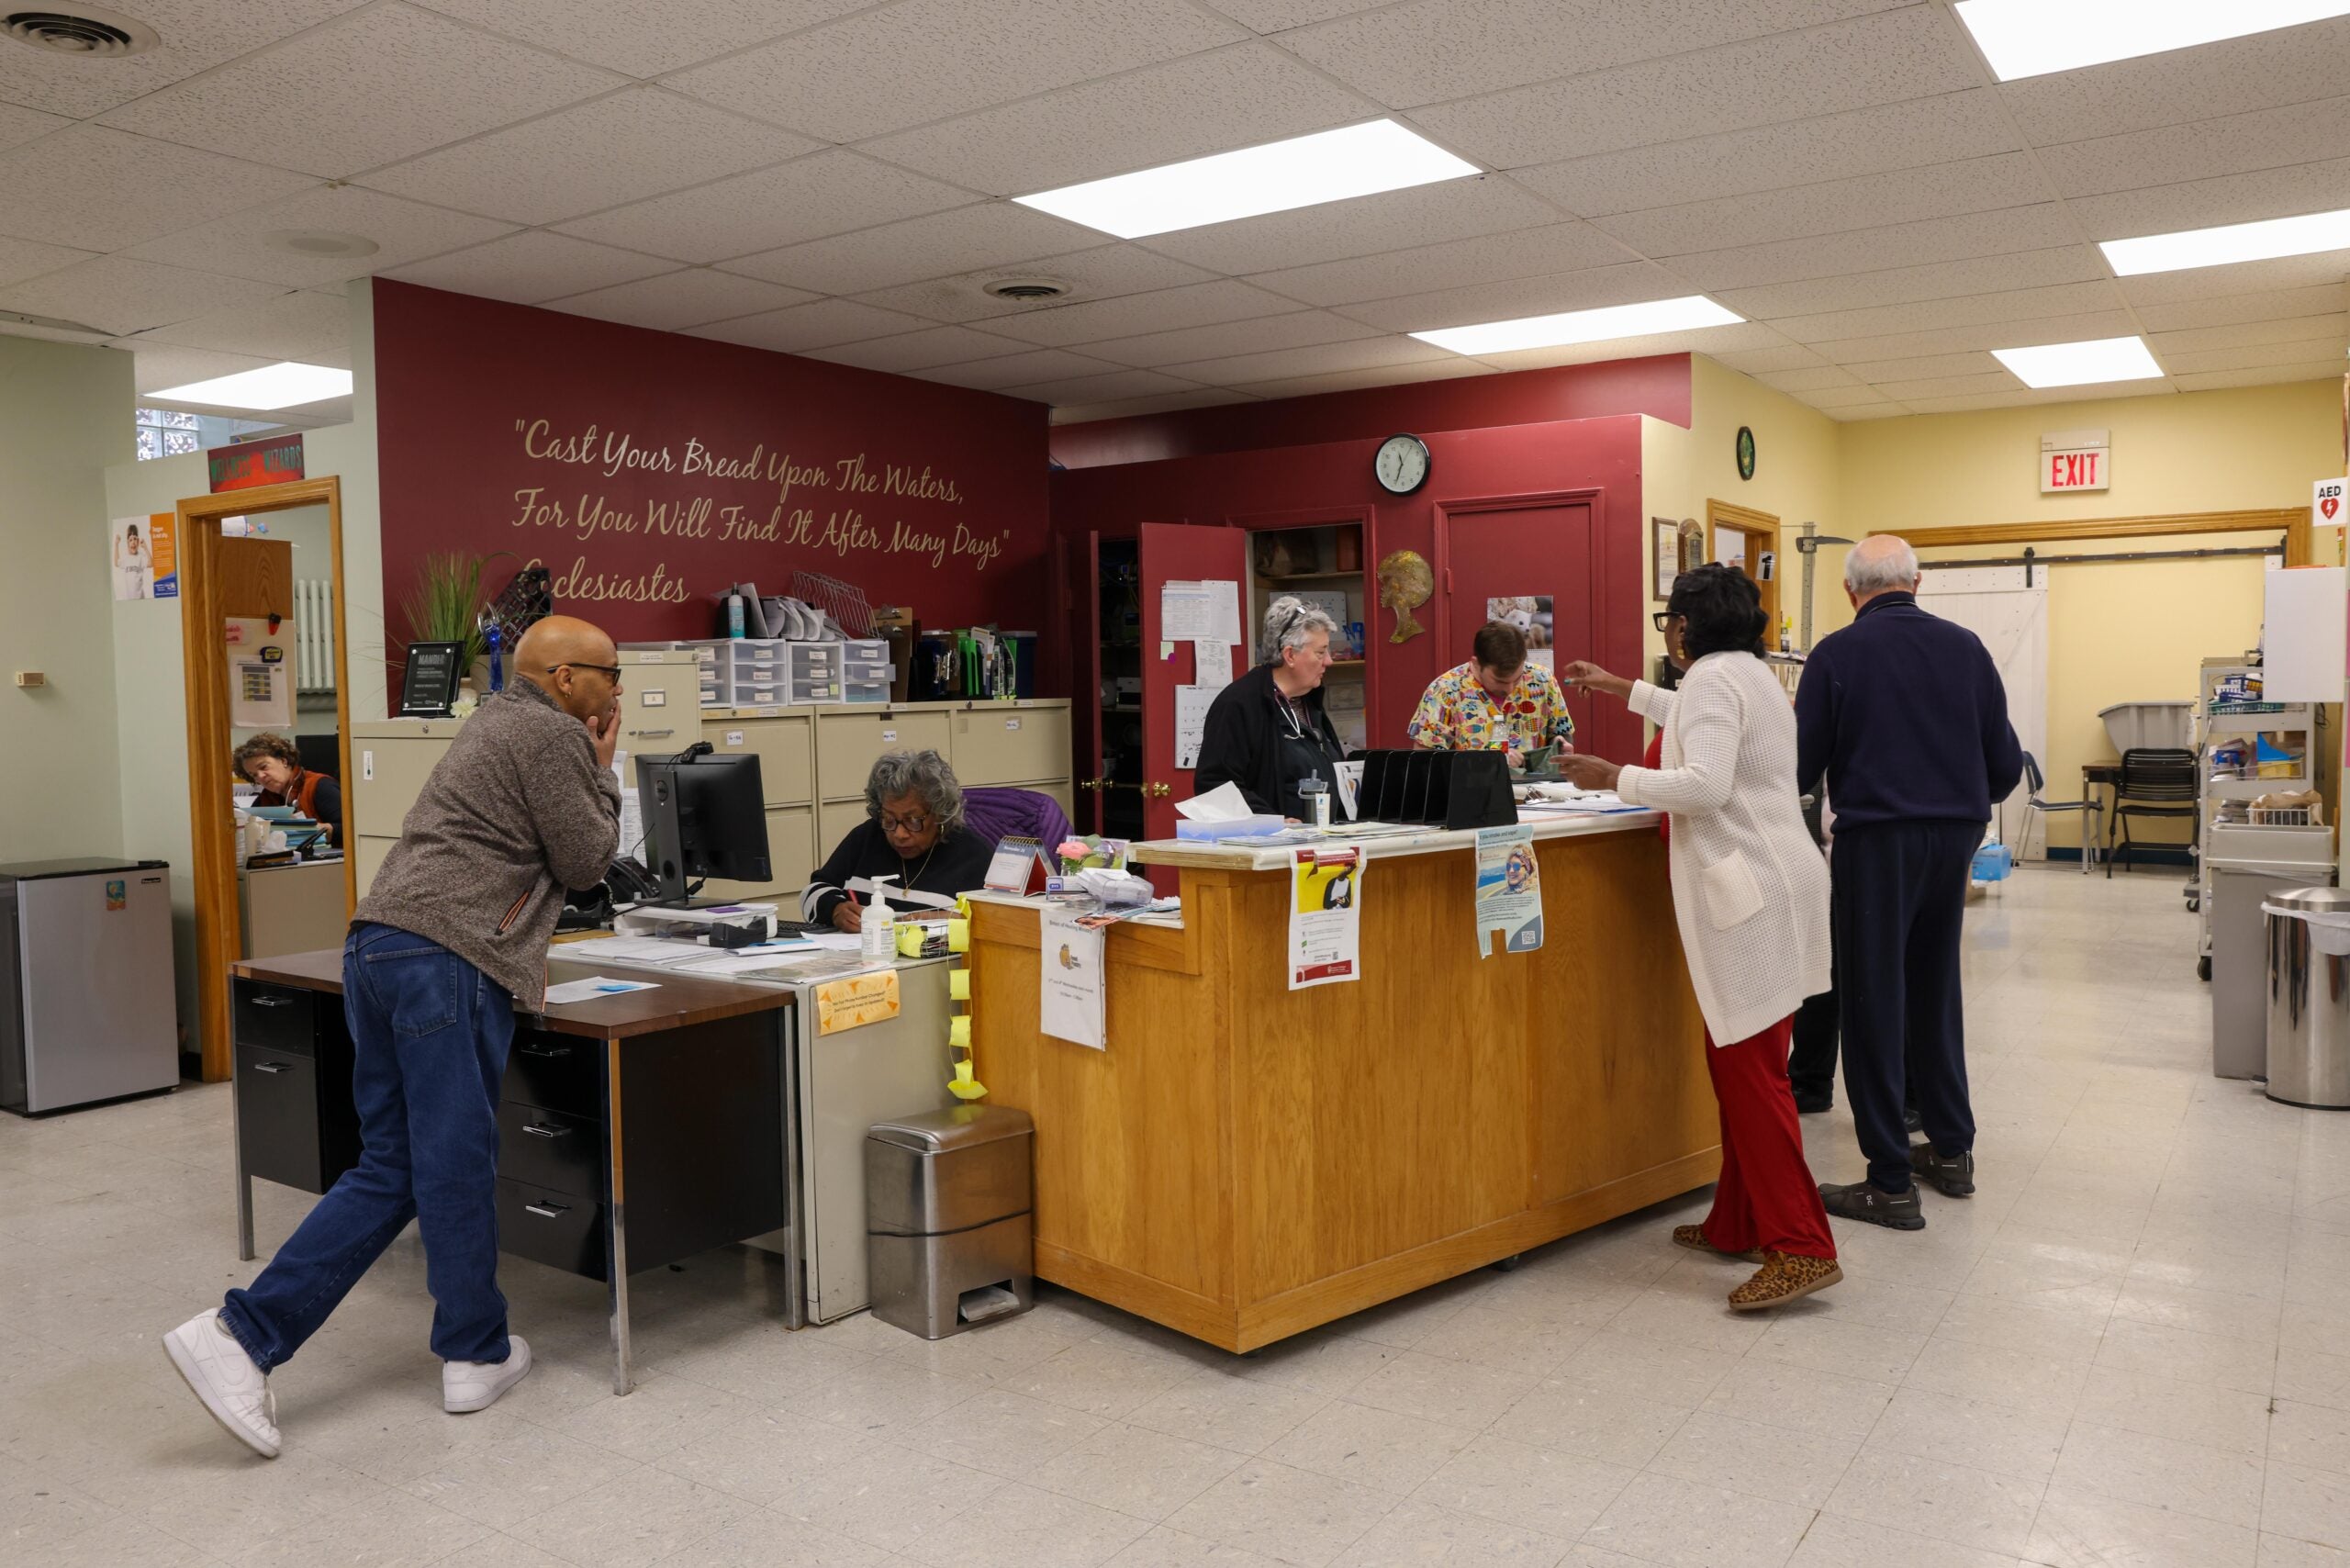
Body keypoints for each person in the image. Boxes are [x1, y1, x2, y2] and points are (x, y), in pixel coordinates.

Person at [163, 615, 627, 1457]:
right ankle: (253, 1337)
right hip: (448, 956)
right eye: (609, 671)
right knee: (450, 1163)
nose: (618, 686)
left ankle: (464, 1351)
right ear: (564, 678)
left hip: (378, 946)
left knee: (399, 1162)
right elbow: (590, 860)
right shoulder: (556, 735)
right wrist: (603, 771)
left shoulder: (492, 720)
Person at [1561, 565, 1841, 1310]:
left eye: (1668, 622)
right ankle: (1739, 1221)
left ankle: (1802, 1246)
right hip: (1785, 878)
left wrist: (1611, 776)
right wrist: (1620, 688)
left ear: (1686, 626)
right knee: (1743, 1065)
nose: (1668, 635)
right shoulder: (1749, 673)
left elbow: (1707, 784)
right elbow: (1696, 717)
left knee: (1752, 1074)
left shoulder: (1716, 681)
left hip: (1748, 890)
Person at [1796, 534, 2021, 1230]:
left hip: (1877, 840)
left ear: (1849, 591)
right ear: (1917, 582)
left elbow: (1802, 767)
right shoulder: (1968, 649)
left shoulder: (1835, 654)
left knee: (1871, 1000)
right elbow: (2005, 766)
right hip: (1953, 836)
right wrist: (1950, 799)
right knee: (1934, 991)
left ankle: (1890, 1179)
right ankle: (1951, 1152)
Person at [804, 749, 994, 932]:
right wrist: (835, 909)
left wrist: (956, 922)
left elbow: (998, 927)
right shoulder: (868, 836)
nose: (899, 834)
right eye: (889, 819)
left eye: (913, 820)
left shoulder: (974, 856)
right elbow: (813, 890)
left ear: (940, 814)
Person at [1193, 596, 1347, 820]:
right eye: (1321, 652)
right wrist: (1272, 822)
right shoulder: (1238, 704)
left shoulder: (1309, 701)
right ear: (1290, 655)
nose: (1329, 661)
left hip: (1320, 843)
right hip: (1270, 848)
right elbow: (1214, 785)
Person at [1405, 619, 1575, 766]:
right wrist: (1486, 764)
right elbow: (1425, 763)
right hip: (1468, 798)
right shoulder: (1444, 691)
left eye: (1516, 680)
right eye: (1500, 681)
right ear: (1476, 663)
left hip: (1537, 798)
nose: (1510, 689)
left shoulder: (1542, 680)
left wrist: (1560, 745)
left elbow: (1561, 733)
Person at [234, 732, 344, 848]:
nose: (260, 776)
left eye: (263, 767)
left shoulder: (320, 786)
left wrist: (310, 829)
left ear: (284, 761)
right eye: (254, 775)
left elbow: (349, 828)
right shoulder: (265, 798)